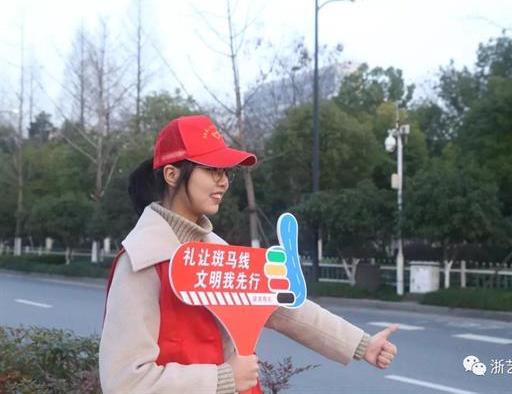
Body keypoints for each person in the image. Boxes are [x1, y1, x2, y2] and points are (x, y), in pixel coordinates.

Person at [99, 115, 399, 394]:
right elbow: (124, 381)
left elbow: (285, 306)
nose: (224, 181)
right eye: (212, 170)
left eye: (225, 172)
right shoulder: (142, 261)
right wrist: (223, 378)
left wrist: (362, 344)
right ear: (171, 174)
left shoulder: (221, 254)